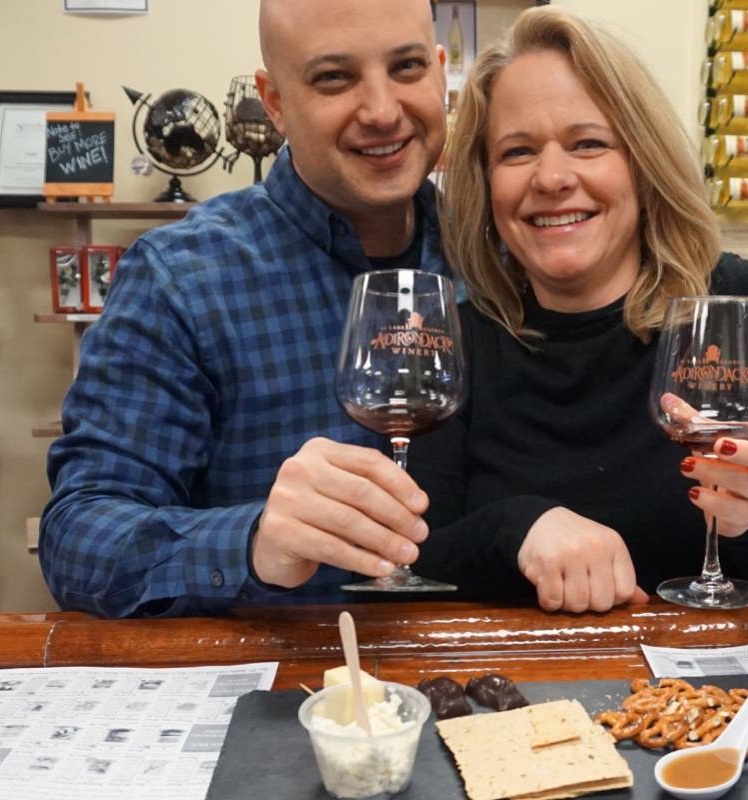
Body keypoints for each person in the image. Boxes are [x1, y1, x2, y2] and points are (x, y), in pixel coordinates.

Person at [406, 6, 748, 612]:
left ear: (643, 163)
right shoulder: (463, 337)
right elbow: (414, 566)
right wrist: (515, 529)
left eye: (588, 143)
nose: (551, 177)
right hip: (523, 692)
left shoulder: (731, 307)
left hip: (711, 694)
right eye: (516, 152)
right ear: (485, 181)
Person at [39, 0, 452, 617]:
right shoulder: (180, 277)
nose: (383, 111)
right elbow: (76, 539)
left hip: (493, 685)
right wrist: (253, 543)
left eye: (408, 66)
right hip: (281, 695)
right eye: (334, 77)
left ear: (440, 71)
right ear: (275, 101)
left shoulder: (493, 252)